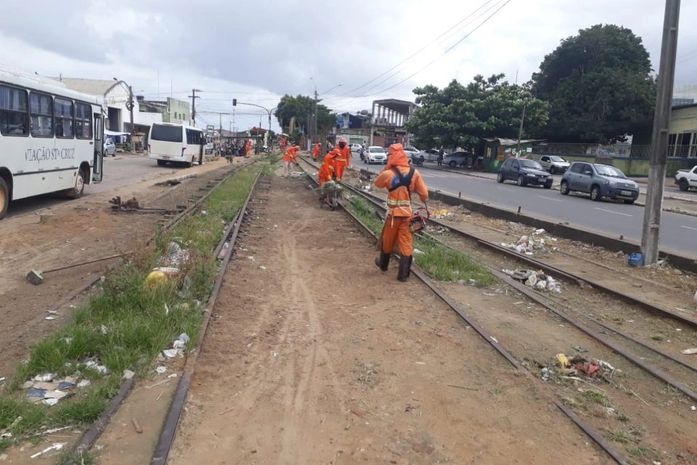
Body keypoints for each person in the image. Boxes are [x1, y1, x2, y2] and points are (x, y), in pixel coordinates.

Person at [373, 143, 428, 282]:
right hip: (407, 215)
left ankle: (383, 265)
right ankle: (403, 275)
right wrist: (422, 200)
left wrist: (386, 168)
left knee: (388, 240)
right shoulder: (414, 173)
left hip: (393, 216)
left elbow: (377, 184)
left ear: (392, 157)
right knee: (406, 242)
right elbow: (424, 194)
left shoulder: (388, 174)